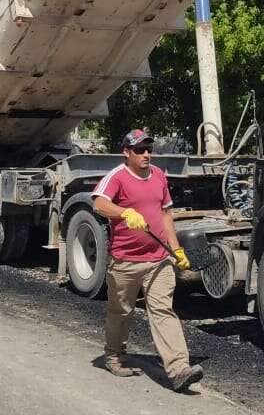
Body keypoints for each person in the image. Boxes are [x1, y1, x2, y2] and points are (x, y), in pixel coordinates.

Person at [92, 128, 204, 392]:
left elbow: (166, 215)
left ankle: (179, 369)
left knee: (163, 310)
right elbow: (98, 204)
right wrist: (124, 212)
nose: (146, 154)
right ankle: (114, 356)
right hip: (125, 261)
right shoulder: (117, 177)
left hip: (158, 259)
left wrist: (176, 251)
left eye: (149, 149)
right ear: (126, 152)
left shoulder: (158, 176)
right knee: (121, 311)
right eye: (140, 150)